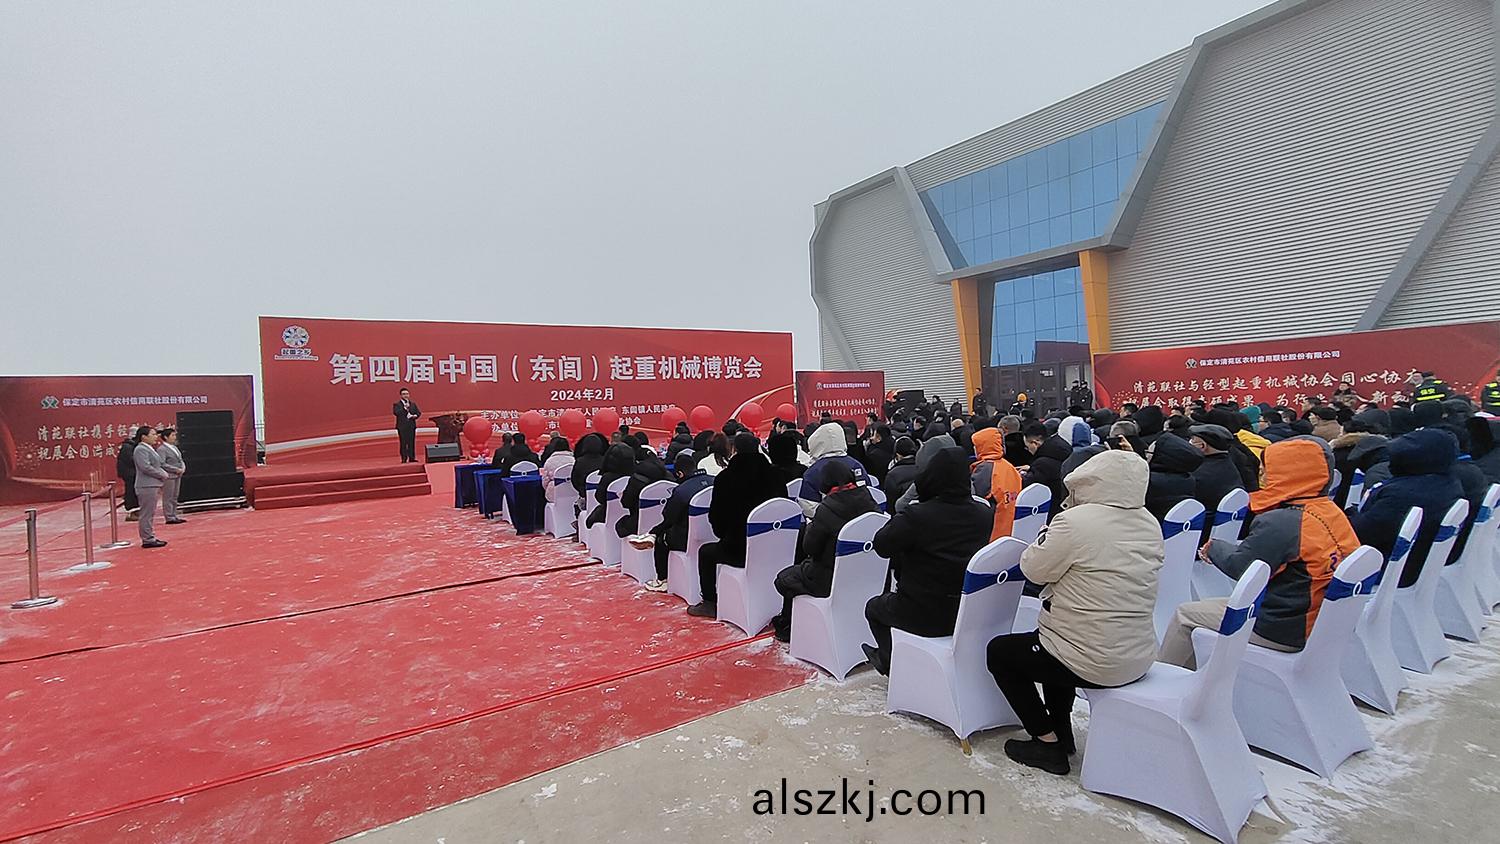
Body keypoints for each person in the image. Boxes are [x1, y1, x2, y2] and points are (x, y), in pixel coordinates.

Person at [986, 449, 1162, 775]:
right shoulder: (1148, 521)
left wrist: (1045, 537)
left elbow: (1034, 570)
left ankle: (1047, 742)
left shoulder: (1075, 521)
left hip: (1094, 659)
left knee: (1001, 653)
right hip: (1137, 654)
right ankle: (1062, 730)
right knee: (1055, 643)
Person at [1160, 437, 1359, 667]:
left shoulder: (1282, 521)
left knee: (1186, 614)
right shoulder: (1330, 511)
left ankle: (1170, 678)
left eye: (1267, 472)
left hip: (1284, 627)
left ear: (1289, 474)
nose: (1262, 477)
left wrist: (1215, 547)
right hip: (1322, 621)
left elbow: (1241, 567)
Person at [862, 447, 992, 674]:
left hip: (921, 613)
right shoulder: (983, 513)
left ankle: (891, 663)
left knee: (874, 608)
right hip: (967, 612)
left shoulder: (917, 516)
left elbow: (882, 545)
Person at [769, 462, 879, 641]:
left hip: (830, 578)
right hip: (865, 574)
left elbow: (810, 548)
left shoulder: (827, 508)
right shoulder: (870, 500)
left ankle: (788, 627)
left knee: (784, 579)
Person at [1347, 428, 1462, 586]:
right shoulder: (1448, 482)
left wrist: (1348, 515)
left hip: (1387, 571)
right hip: (1418, 564)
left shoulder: (1403, 494)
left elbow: (1359, 534)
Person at [688, 432, 786, 618]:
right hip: (777, 546)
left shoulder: (725, 478)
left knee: (706, 553)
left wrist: (727, 537)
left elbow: (717, 519)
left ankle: (710, 602)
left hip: (739, 549)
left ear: (734, 450)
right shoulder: (776, 474)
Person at [643, 451, 714, 592]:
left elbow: (668, 516)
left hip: (688, 538)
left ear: (680, 474)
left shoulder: (681, 490)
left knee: (662, 539)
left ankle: (662, 579)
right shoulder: (715, 480)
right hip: (714, 533)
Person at [799, 422, 869, 518]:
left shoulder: (812, 472)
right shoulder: (856, 465)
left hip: (827, 527)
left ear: (815, 442)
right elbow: (871, 494)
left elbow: (808, 507)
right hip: (861, 522)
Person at [1188, 424, 1244, 540]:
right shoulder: (1231, 466)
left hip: (1199, 534)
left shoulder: (1197, 474)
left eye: (1193, 440)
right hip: (1222, 534)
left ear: (1202, 446)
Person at [971, 427, 1022, 540]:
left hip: (994, 530)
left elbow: (977, 498)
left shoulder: (985, 469)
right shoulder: (1008, 466)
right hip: (1011, 526)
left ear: (983, 446)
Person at [1143, 433, 1203, 521]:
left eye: (1149, 453)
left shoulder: (1150, 482)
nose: (1146, 456)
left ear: (1161, 458)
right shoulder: (1188, 480)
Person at [1019, 421, 1071, 521]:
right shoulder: (1060, 449)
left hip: (1050, 512)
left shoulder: (1042, 463)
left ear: (1035, 442)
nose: (1028, 450)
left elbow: (1028, 484)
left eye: (1027, 446)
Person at [132, 426, 170, 548]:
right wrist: (162, 474)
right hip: (146, 485)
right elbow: (145, 467)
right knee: (146, 513)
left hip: (152, 484)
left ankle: (149, 536)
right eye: (152, 434)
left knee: (150, 512)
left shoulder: (149, 448)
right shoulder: (140, 449)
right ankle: (147, 539)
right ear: (144, 437)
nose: (155, 437)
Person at [585, 442, 637, 530]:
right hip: (631, 515)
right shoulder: (636, 477)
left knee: (591, 519)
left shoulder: (607, 478)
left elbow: (599, 498)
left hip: (607, 514)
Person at [155, 427, 188, 524]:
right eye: (172, 435)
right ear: (166, 437)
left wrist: (182, 468)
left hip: (178, 474)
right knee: (168, 496)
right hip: (169, 475)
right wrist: (175, 469)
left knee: (175, 496)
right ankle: (169, 516)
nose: (175, 437)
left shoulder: (175, 447)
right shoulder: (162, 449)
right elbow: (162, 463)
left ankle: (174, 514)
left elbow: (180, 460)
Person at [883, 436, 919, 503]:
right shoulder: (923, 468)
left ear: (898, 455)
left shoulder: (892, 474)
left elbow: (890, 500)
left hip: (901, 510)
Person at [115, 431, 140, 519]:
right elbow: (131, 460)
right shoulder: (127, 447)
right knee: (131, 492)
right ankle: (131, 511)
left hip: (132, 473)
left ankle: (135, 510)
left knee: (133, 492)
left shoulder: (132, 446)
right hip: (129, 474)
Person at [540, 436, 572, 501]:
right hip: (572, 493)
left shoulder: (549, 461)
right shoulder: (573, 460)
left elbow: (544, 482)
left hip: (554, 495)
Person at [393, 388, 421, 463]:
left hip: (411, 426)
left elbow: (418, 413)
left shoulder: (412, 404)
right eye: (404, 394)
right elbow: (396, 413)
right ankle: (404, 458)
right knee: (403, 442)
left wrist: (415, 416)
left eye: (407, 394)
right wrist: (404, 408)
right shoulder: (397, 404)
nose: (406, 395)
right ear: (401, 395)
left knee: (411, 442)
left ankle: (412, 457)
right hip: (402, 427)